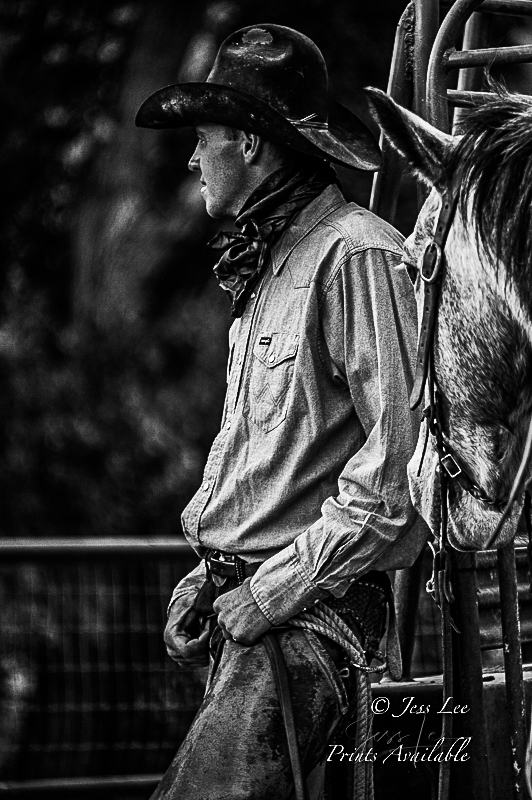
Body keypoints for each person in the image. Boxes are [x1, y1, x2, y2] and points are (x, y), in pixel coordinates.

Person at [135, 23, 427, 800]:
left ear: (251, 145)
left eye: (204, 140)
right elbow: (275, 469)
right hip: (263, 619)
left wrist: (267, 591)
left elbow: (400, 480)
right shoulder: (269, 272)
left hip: (306, 625)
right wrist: (212, 571)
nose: (192, 158)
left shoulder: (356, 255)